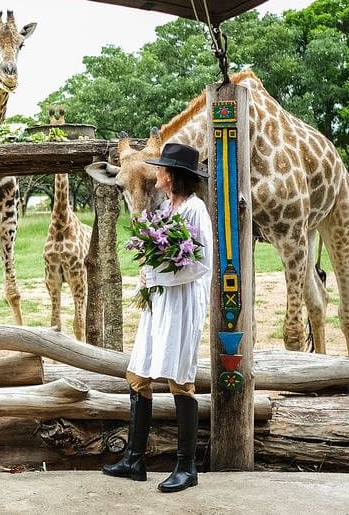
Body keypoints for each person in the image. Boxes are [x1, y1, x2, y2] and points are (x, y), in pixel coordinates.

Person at [102, 142, 213, 493]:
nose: (158, 174)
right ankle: (134, 460)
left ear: (173, 176)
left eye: (162, 169)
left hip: (182, 303)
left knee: (180, 379)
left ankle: (187, 467)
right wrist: (148, 272)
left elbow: (201, 264)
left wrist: (157, 274)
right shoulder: (166, 207)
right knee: (137, 375)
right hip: (158, 301)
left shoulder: (195, 210)